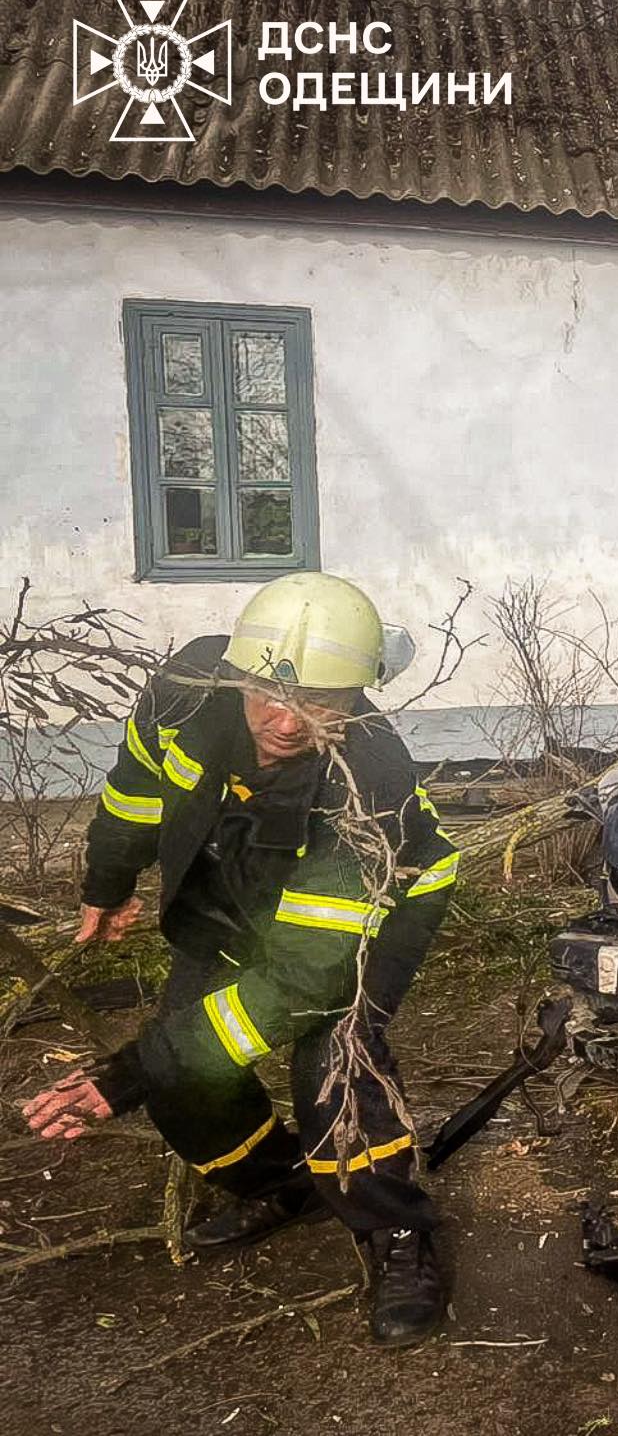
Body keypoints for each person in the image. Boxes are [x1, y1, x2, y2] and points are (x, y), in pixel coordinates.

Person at [19, 574, 460, 1343]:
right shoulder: (186, 691)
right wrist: (108, 882)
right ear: (238, 669)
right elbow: (133, 793)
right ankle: (281, 1181)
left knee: (331, 1056)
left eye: (321, 699)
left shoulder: (370, 780)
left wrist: (127, 1072)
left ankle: (399, 1235)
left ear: (357, 695)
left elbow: (306, 978)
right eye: (267, 691)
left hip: (381, 904)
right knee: (185, 1057)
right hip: (240, 879)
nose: (287, 721)